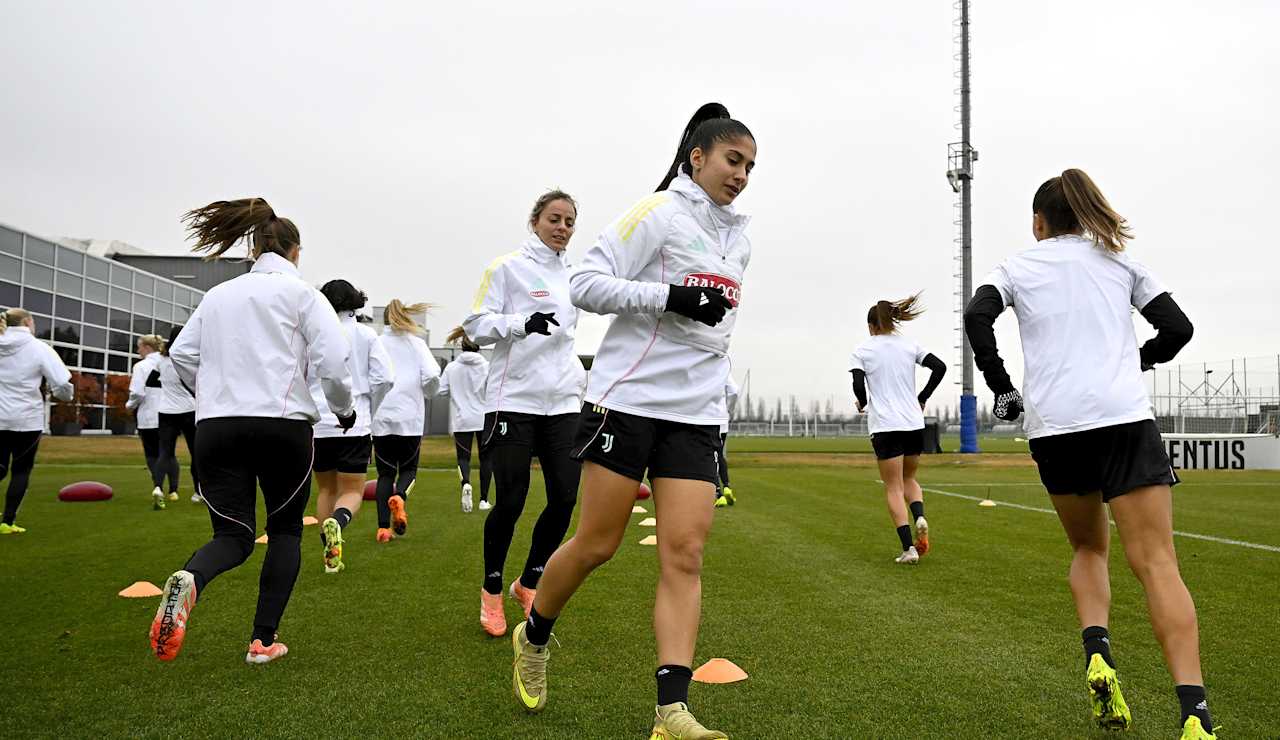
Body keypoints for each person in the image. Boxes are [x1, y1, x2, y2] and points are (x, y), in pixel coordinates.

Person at [509, 102, 753, 739]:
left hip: (695, 412)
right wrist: (670, 296)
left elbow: (717, 331)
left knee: (687, 553)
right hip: (627, 399)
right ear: (697, 158)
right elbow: (585, 283)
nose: (742, 175)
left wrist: (718, 395)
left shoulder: (740, 238)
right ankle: (534, 635)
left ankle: (670, 710)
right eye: (733, 160)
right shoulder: (658, 214)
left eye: (751, 166)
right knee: (598, 543)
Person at [963, 169, 1211, 739]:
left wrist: (1001, 386)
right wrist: (1138, 360)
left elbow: (978, 316)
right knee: (1157, 564)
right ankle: (1195, 716)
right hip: (1123, 419)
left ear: (1039, 222)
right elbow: (1179, 327)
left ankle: (1098, 651)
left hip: (1056, 428)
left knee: (1087, 548)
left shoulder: (1017, 267)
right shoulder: (1121, 262)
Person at [149, 197, 355, 665]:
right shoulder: (304, 294)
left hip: (217, 428)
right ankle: (262, 641)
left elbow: (181, 355)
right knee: (284, 532)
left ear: (252, 248)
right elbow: (335, 363)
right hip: (282, 428)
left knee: (234, 537)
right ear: (295, 251)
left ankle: (191, 580)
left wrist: (214, 399)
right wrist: (342, 412)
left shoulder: (219, 295)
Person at [463, 189, 583, 640]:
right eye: (555, 218)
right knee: (511, 499)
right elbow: (475, 325)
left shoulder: (575, 275)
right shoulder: (507, 267)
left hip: (563, 401)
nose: (562, 228)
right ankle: (492, 589)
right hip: (512, 399)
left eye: (570, 221)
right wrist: (519, 323)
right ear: (535, 220)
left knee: (565, 498)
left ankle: (528, 582)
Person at [849, 294, 947, 564]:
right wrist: (923, 397)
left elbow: (858, 384)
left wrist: (863, 402)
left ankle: (909, 549)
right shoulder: (910, 345)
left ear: (871, 326)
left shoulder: (863, 350)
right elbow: (939, 367)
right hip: (914, 423)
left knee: (892, 487)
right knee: (909, 479)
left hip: (885, 425)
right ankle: (920, 517)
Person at [310, 279, 392, 573]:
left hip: (319, 423)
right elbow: (385, 378)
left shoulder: (315, 335)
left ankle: (329, 554)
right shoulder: (366, 334)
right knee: (353, 491)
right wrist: (371, 406)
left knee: (325, 491)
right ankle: (339, 522)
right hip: (355, 423)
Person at [370, 299, 439, 542]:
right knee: (409, 470)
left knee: (384, 474)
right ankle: (400, 497)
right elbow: (432, 374)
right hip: (409, 418)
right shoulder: (416, 344)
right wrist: (428, 393)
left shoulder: (376, 342)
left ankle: (382, 529)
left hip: (381, 417)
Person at [0, 307, 73, 534]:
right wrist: (64, 396)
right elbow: (62, 383)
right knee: (21, 471)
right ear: (28, 322)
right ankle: (7, 521)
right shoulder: (39, 348)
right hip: (26, 419)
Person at [440, 326, 492, 513]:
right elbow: (493, 391)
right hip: (484, 418)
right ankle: (484, 500)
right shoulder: (487, 367)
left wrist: (457, 395)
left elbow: (441, 390)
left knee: (464, 458)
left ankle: (466, 484)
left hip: (462, 419)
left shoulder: (452, 368)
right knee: (487, 459)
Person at [151, 324, 200, 508]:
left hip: (166, 411)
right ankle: (198, 492)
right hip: (188, 409)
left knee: (165, 452)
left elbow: (150, 382)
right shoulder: (187, 358)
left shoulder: (161, 360)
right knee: (195, 453)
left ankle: (157, 488)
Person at [127, 334, 171, 495]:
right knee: (167, 452)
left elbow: (137, 393)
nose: (138, 350)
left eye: (139, 346)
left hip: (148, 415)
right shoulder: (167, 362)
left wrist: (129, 405)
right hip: (169, 414)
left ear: (147, 347)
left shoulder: (141, 366)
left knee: (152, 453)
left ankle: (157, 486)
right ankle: (174, 489)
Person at [713, 375, 739, 508]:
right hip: (723, 420)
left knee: (711, 456)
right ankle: (727, 486)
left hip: (710, 419)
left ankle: (718, 493)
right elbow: (734, 391)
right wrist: (729, 410)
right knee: (720, 454)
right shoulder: (724, 371)